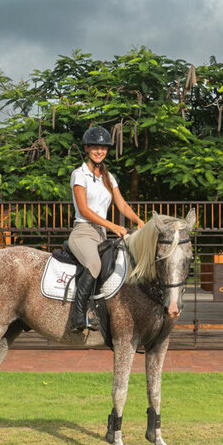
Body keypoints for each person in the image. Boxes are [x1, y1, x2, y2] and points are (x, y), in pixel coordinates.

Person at [68, 126, 144, 332]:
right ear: (86, 149)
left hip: (101, 234)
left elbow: (121, 205)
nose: (99, 151)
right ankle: (78, 315)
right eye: (95, 147)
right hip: (83, 232)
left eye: (103, 147)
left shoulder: (109, 178)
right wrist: (112, 225)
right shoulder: (79, 175)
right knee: (93, 264)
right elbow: (84, 210)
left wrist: (139, 222)